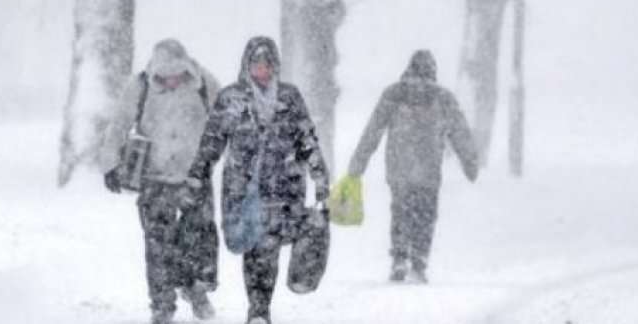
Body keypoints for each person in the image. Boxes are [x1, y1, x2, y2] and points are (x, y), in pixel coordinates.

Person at [184, 36, 330, 324]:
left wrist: (320, 176)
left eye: (268, 65)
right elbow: (212, 141)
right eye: (257, 65)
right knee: (256, 248)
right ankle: (259, 309)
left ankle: (261, 309)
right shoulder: (231, 99)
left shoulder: (289, 97)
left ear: (275, 66)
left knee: (270, 246)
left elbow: (307, 140)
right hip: (244, 189)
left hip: (284, 187)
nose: (263, 71)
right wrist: (197, 174)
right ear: (246, 66)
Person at [100, 39, 220, 324]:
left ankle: (195, 289)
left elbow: (227, 120)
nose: (171, 80)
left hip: (195, 177)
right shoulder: (140, 86)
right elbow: (119, 124)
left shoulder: (204, 83)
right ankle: (162, 306)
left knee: (200, 241)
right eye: (165, 76)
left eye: (177, 74)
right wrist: (111, 165)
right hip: (154, 179)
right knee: (158, 246)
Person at [345, 49, 479, 284]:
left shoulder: (395, 94)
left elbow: (373, 131)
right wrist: (469, 162)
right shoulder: (442, 97)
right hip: (429, 168)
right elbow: (460, 133)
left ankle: (399, 256)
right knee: (426, 213)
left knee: (400, 211)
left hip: (400, 167)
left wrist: (358, 163)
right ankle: (419, 259)